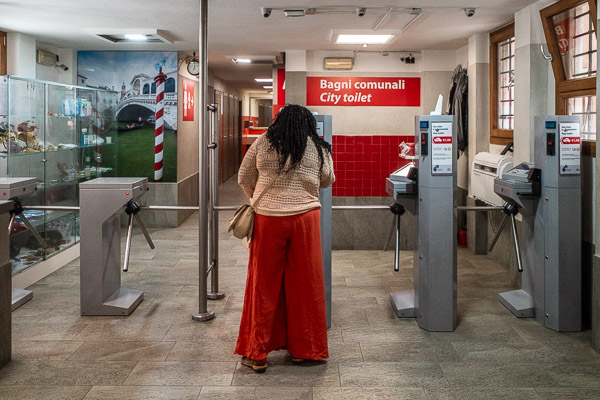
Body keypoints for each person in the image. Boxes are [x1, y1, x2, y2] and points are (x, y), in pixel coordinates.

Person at [234, 104, 335, 373]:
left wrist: (259, 198)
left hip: (269, 219)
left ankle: (257, 354)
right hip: (306, 219)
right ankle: (305, 350)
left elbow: (244, 177)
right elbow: (327, 180)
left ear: (278, 121)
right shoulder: (318, 147)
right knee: (306, 284)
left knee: (262, 284)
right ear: (309, 124)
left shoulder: (263, 142)